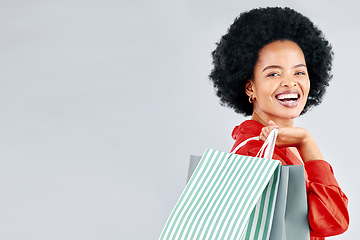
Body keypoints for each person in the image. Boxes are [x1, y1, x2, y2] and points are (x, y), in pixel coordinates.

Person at [209, 7, 349, 240]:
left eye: (299, 73)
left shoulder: (283, 144)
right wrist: (307, 141)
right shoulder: (256, 152)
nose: (290, 83)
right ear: (250, 87)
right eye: (274, 74)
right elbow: (333, 220)